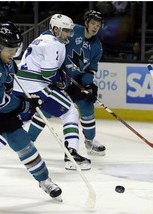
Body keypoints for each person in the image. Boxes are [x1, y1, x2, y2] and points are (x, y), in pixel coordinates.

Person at [0, 14, 91, 171]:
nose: (68, 34)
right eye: (65, 31)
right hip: (37, 87)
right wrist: (61, 81)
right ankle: (71, 155)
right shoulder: (54, 44)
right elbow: (48, 73)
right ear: (55, 29)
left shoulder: (40, 39)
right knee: (70, 112)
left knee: (19, 120)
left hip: (20, 86)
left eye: (69, 31)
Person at [0, 21, 62, 201]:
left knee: (21, 140)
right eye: (10, 51)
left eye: (16, 49)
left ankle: (45, 180)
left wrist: (9, 67)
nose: (14, 54)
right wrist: (25, 105)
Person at [63, 10, 106, 156]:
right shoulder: (73, 30)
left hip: (76, 82)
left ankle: (90, 142)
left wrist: (89, 86)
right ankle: (29, 140)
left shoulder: (97, 46)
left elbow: (90, 70)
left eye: (98, 25)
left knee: (87, 106)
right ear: (86, 22)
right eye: (93, 23)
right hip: (59, 79)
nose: (95, 27)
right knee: (48, 110)